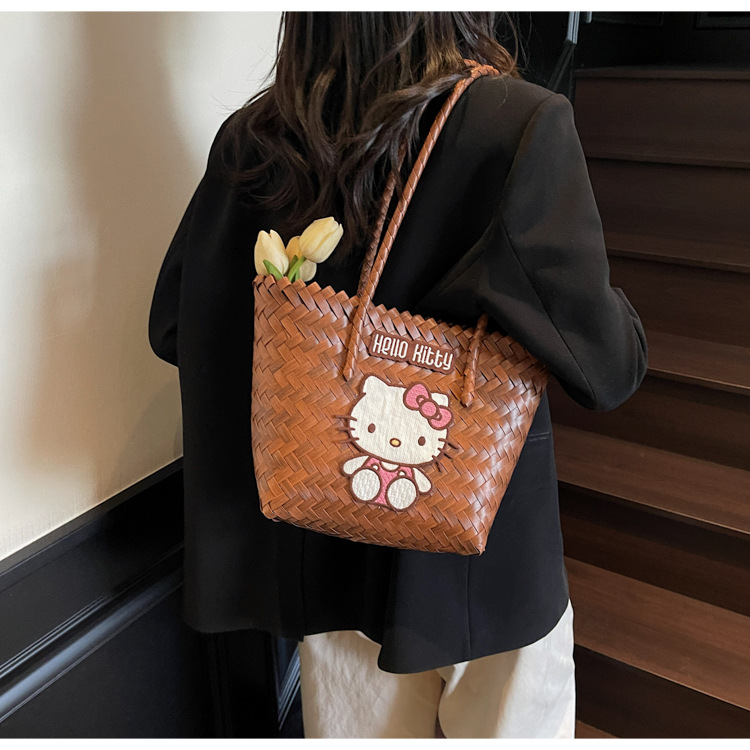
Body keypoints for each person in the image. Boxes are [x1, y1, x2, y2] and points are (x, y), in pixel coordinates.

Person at [148, 11, 648, 739]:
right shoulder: (517, 124)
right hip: (485, 565)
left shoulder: (254, 139)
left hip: (329, 555)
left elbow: (176, 328)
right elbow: (608, 369)